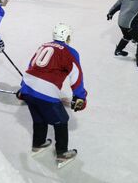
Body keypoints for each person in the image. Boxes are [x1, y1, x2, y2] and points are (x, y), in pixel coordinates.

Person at [16, 23, 87, 168]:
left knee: (39, 116)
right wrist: (80, 97)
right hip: (45, 90)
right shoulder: (70, 51)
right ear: (67, 37)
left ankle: (38, 144)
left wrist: (23, 87)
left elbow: (32, 66)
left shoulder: (42, 46)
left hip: (28, 86)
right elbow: (76, 75)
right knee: (61, 120)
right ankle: (62, 154)